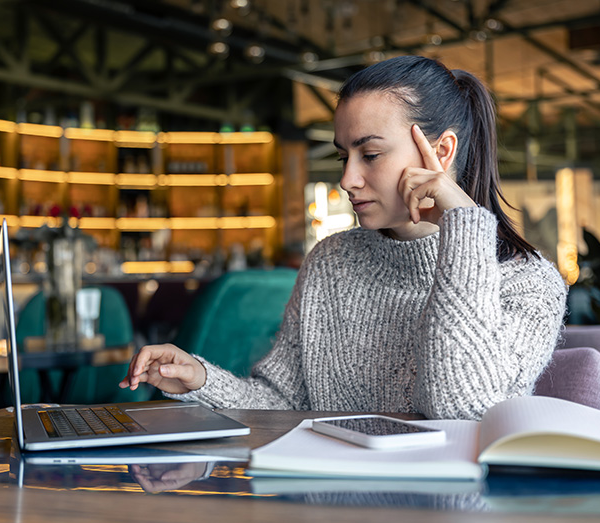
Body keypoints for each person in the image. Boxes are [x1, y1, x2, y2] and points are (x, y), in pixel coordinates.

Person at [119, 55, 567, 420]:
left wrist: (463, 227)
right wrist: (202, 380)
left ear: (442, 152)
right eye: (343, 156)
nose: (348, 178)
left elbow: (463, 410)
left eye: (370, 154)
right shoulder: (332, 261)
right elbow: (284, 405)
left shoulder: (529, 284)